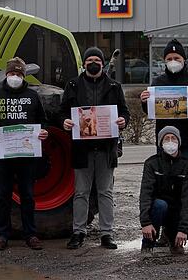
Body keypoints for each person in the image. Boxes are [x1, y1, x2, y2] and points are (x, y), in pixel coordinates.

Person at [140, 39, 188, 250]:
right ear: (164, 61)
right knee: (163, 189)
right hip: (165, 142)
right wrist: (144, 101)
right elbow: (148, 110)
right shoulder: (158, 82)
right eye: (169, 59)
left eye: (176, 58)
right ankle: (166, 233)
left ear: (184, 59)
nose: (173, 61)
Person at [62, 47, 130, 250]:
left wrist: (122, 121)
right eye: (89, 59)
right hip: (82, 148)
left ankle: (106, 234)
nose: (93, 63)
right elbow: (62, 111)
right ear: (84, 63)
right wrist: (64, 121)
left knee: (105, 192)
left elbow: (125, 112)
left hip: (106, 148)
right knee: (81, 192)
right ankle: (78, 232)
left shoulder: (114, 86)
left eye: (97, 60)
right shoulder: (73, 85)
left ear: (102, 63)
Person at [0, 57, 49, 251]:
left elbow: (43, 120)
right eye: (12, 73)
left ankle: (31, 234)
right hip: (3, 156)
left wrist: (43, 131)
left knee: (27, 195)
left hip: (27, 156)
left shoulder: (33, 97)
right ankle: (2, 234)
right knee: (3, 195)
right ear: (6, 74)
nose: (15, 77)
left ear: (24, 75)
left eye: (19, 74)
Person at [139, 126, 188, 254]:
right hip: (158, 209)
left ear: (179, 142)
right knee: (159, 205)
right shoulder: (151, 164)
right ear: (161, 143)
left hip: (177, 212)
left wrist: (183, 229)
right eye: (166, 139)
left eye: (173, 138)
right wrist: (145, 222)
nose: (170, 141)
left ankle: (173, 238)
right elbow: (145, 194)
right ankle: (148, 243)